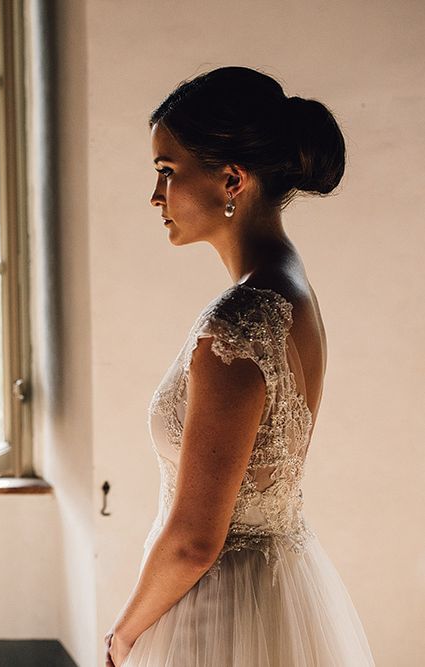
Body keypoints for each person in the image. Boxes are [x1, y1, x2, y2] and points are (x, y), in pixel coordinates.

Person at [104, 66, 376, 666]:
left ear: (232, 179)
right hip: (276, 589)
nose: (156, 197)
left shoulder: (240, 321)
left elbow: (195, 542)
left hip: (220, 614)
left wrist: (121, 638)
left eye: (167, 172)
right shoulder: (289, 289)